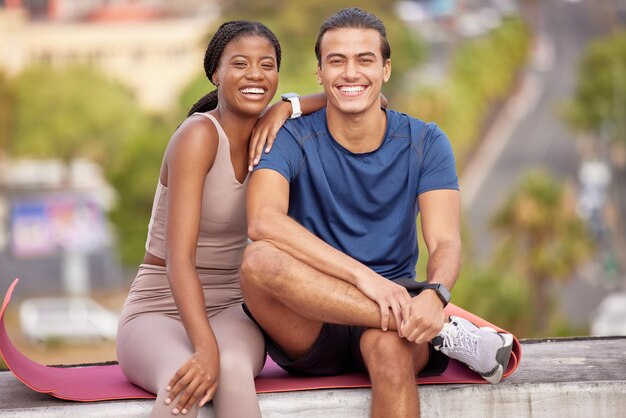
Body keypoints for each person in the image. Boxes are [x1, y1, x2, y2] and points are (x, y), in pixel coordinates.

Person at [240, 8, 514, 418]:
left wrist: (435, 294)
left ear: (386, 69)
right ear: (319, 73)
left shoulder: (425, 141)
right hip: (311, 316)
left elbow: (444, 242)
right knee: (257, 260)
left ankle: (421, 323)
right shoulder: (288, 138)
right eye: (337, 60)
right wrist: (368, 281)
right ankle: (443, 333)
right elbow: (263, 221)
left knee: (389, 351)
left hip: (394, 322)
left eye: (365, 60)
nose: (351, 73)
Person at [116, 20, 328, 418]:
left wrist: (287, 106)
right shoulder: (198, 135)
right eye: (240, 64)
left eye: (267, 65)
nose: (255, 75)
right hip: (159, 306)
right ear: (216, 73)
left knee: (232, 370)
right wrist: (204, 346)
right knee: (184, 380)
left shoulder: (279, 135)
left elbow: (371, 103)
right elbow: (180, 261)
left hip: (233, 306)